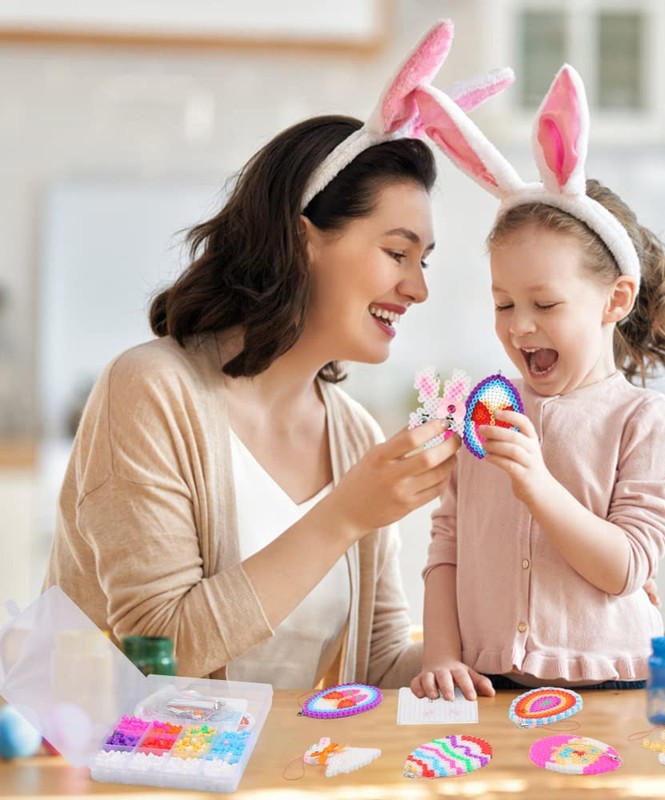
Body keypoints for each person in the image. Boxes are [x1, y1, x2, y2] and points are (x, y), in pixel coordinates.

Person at [42, 21, 475, 688]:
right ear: (303, 240)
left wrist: (508, 645)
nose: (417, 288)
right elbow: (157, 649)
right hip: (114, 753)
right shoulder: (153, 390)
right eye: (397, 253)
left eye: (424, 262)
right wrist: (345, 514)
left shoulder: (354, 436)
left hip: (283, 759)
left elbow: (379, 662)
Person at [409, 65, 665, 700]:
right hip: (489, 687)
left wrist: (537, 484)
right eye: (503, 304)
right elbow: (449, 543)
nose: (520, 327)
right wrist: (441, 655)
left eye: (544, 304)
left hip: (609, 688)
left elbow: (627, 568)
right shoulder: (483, 412)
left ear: (615, 299)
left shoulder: (643, 422)